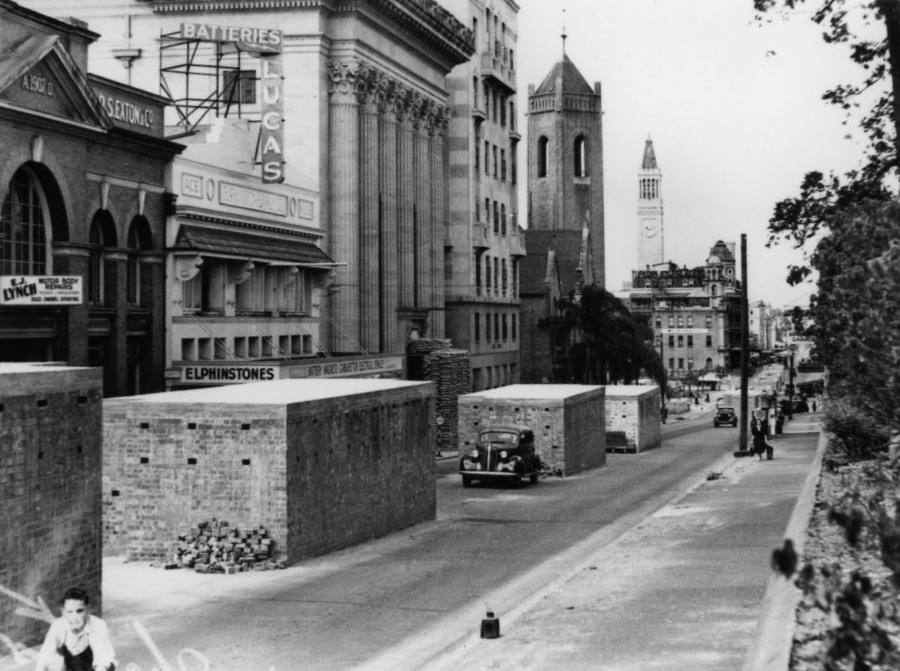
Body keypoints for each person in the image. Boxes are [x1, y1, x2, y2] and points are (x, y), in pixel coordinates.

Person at [36, 588, 116, 671]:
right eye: (70, 611)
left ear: (87, 609)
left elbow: (102, 660)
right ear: (63, 612)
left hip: (94, 667)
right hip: (71, 667)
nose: (75, 617)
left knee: (108, 664)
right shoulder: (58, 625)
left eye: (80, 611)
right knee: (54, 664)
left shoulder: (98, 625)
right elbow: (44, 657)